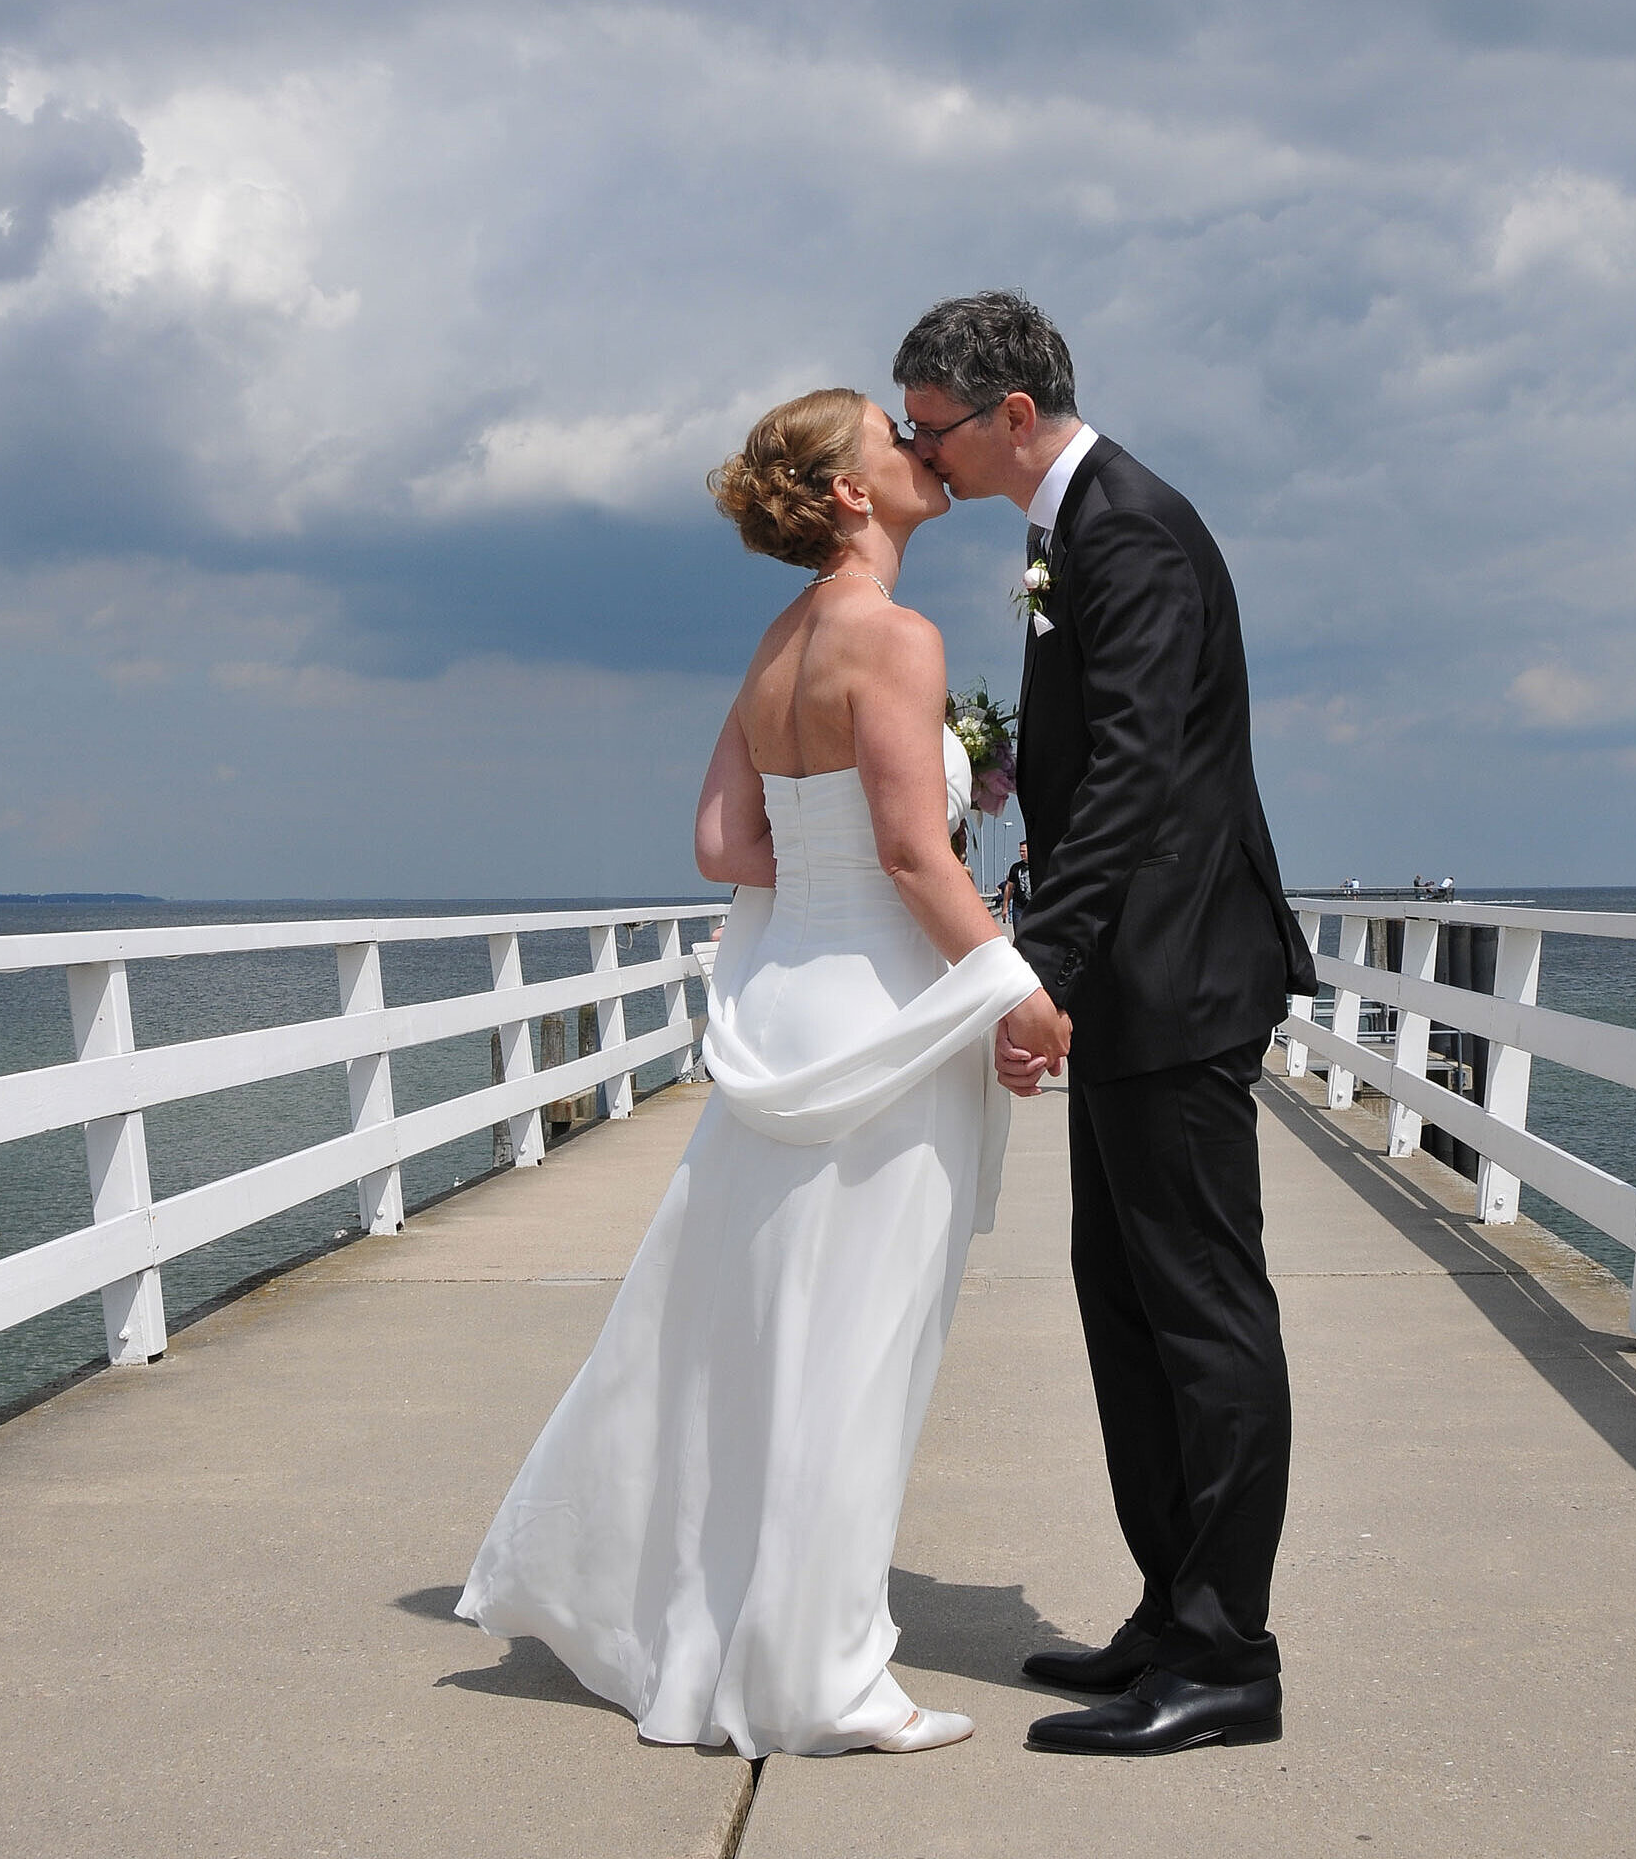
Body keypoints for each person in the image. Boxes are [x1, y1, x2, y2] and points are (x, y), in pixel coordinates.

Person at [456, 388, 1069, 1759]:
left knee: (757, 1341)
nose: (922, 450)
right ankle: (816, 1679)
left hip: (788, 1005)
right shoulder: (895, 639)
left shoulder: (777, 645)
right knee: (854, 1350)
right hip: (879, 1017)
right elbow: (918, 854)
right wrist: (1018, 995)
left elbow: (725, 846)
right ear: (850, 494)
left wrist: (839, 875)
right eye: (892, 440)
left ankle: (731, 1628)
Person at [895, 292, 1318, 1757]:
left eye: (930, 427)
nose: (917, 453)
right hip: (1141, 974)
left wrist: (1039, 970)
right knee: (1123, 1298)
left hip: (1176, 976)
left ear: (1012, 413)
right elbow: (1098, 768)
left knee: (1198, 1313)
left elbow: (1138, 771)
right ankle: (1171, 1610)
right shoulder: (1066, 529)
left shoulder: (1123, 525)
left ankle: (1227, 1658)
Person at [1000, 840, 1032, 930]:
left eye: (1024, 851)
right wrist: (1005, 907)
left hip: (1034, 905)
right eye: (1020, 851)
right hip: (1019, 907)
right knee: (1019, 933)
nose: (1021, 854)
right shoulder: (1015, 867)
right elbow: (1009, 888)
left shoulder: (1037, 864)